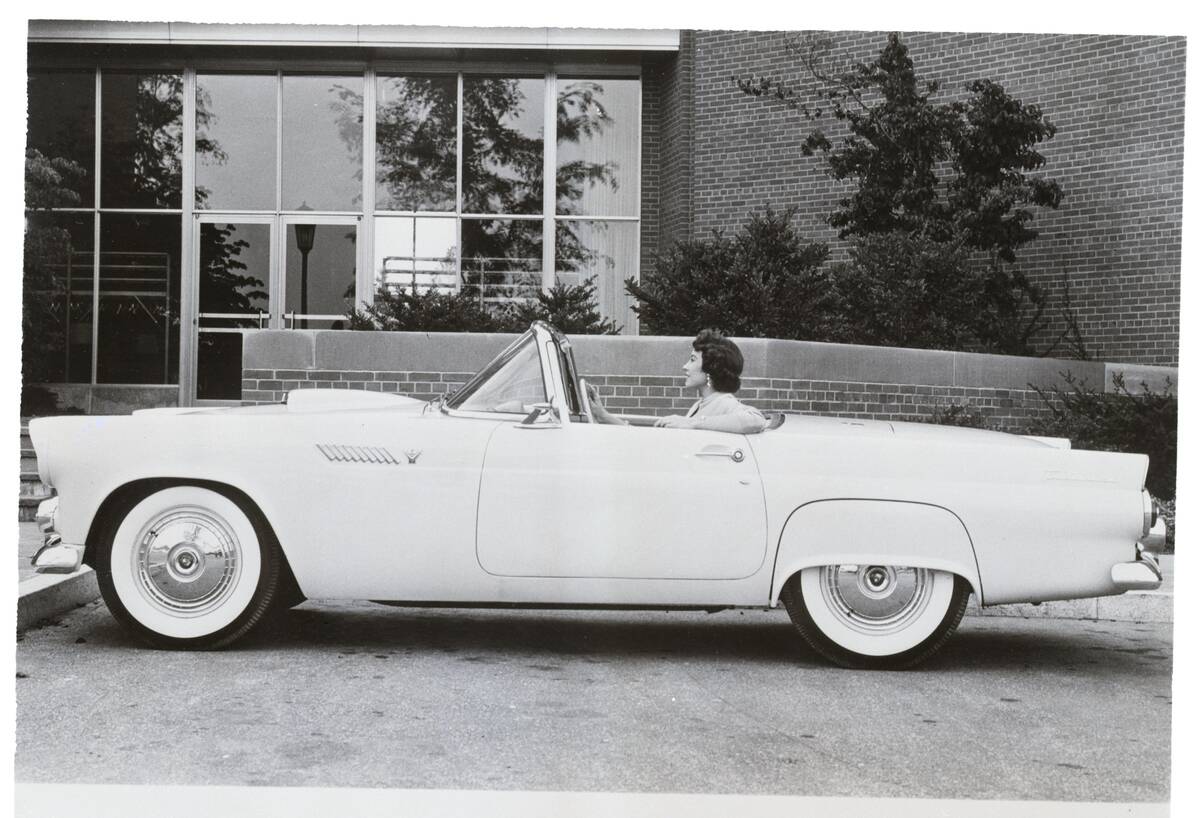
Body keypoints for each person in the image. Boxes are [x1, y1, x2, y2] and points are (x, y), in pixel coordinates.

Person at [588, 329, 768, 434]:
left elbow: (756, 420)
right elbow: (650, 440)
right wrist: (603, 416)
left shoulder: (724, 402)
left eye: (692, 360)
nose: (685, 367)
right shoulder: (701, 404)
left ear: (710, 368)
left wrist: (692, 423)